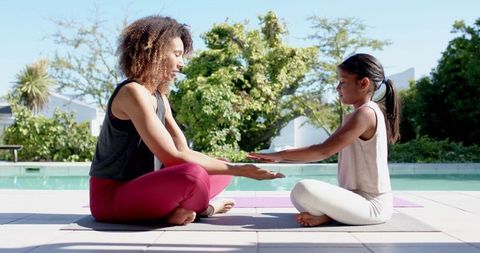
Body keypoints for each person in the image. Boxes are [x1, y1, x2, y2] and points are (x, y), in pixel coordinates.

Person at [89, 15, 284, 226]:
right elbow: (172, 157)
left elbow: (184, 151)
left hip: (145, 188)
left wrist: (236, 167)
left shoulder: (159, 96)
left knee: (221, 166)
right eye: (176, 54)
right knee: (193, 176)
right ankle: (204, 209)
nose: (181, 63)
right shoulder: (132, 92)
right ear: (151, 51)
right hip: (112, 197)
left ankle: (177, 210)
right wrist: (241, 171)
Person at [249, 53, 400, 227]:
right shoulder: (360, 114)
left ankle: (329, 215)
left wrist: (279, 155)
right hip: (354, 200)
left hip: (372, 206)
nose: (338, 88)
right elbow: (323, 148)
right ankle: (330, 215)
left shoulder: (365, 114)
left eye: (343, 82)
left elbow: (323, 151)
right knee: (298, 195)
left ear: (363, 83)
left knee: (304, 189)